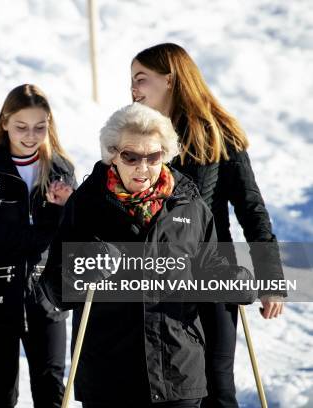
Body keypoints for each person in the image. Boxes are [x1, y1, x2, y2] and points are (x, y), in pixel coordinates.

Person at [40, 103, 255, 407]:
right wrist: (81, 269)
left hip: (177, 373)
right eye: (131, 157)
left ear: (165, 155)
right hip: (109, 377)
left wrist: (236, 280)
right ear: (113, 155)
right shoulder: (86, 205)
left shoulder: (190, 206)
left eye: (153, 157)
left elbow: (211, 267)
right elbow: (54, 289)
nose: (143, 167)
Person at [130, 43, 285, 407]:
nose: (133, 89)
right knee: (169, 386)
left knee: (217, 386)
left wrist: (271, 278)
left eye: (141, 79)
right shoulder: (136, 138)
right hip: (158, 279)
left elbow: (251, 209)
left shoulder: (217, 135)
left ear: (169, 80)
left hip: (212, 273)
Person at [0, 84, 75, 408]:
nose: (31, 135)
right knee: (1, 392)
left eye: (40, 127)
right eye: (21, 127)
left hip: (47, 297)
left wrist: (66, 208)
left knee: (51, 391)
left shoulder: (61, 169)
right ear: (5, 123)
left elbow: (74, 237)